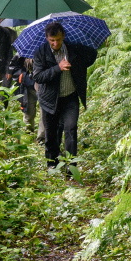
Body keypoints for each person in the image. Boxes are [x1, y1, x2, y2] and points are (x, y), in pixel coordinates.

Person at [33, 22, 97, 172]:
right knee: (51, 134)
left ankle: (71, 167)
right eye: (52, 40)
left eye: (58, 40)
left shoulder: (73, 48)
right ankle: (52, 165)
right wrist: (58, 68)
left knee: (71, 128)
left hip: (70, 97)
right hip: (49, 99)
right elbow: (38, 76)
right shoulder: (41, 52)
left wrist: (78, 67)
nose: (55, 44)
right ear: (47, 38)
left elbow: (92, 55)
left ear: (63, 37)